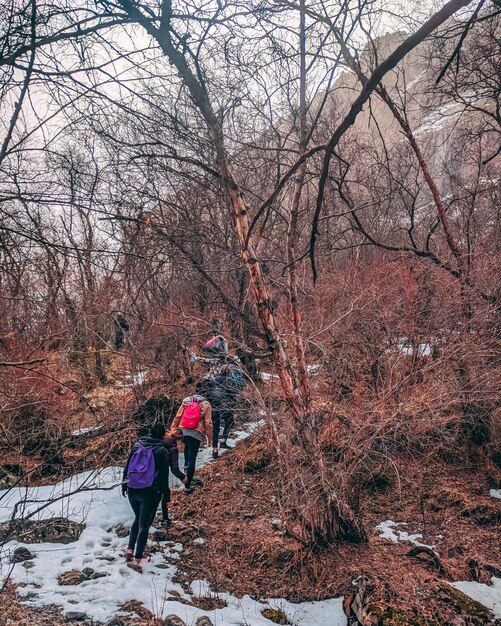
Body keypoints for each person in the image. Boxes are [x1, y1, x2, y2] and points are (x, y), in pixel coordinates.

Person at [122, 423, 170, 564]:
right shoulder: (162, 451)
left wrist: (124, 485)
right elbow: (164, 477)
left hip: (132, 488)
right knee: (144, 524)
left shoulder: (137, 445)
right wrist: (165, 495)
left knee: (138, 518)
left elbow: (127, 466)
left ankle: (130, 549)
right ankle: (138, 558)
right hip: (149, 492)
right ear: (162, 435)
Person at [169, 393, 212, 494]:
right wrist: (210, 438)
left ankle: (185, 472)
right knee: (192, 456)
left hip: (184, 429)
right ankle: (187, 486)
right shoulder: (206, 404)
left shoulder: (186, 400)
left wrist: (173, 430)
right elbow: (208, 422)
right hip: (196, 431)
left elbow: (178, 416)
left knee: (186, 448)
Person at [159, 433, 187, 527]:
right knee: (166, 494)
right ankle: (165, 518)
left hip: (148, 475)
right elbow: (174, 469)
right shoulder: (173, 448)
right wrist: (183, 477)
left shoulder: (154, 443)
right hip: (163, 474)